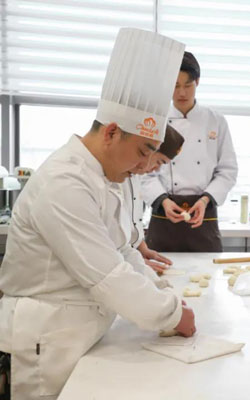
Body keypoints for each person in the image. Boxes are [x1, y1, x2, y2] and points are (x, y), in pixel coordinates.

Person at [0, 28, 196, 399]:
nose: (144, 167)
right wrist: (170, 314)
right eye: (143, 152)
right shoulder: (65, 182)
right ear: (111, 133)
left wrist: (161, 294)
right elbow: (107, 276)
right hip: (48, 340)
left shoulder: (104, 176)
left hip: (84, 333)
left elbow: (122, 252)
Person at [141, 51, 238, 252]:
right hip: (164, 213)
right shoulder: (155, 121)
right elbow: (143, 170)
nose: (182, 93)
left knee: (208, 269)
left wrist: (205, 200)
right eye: (175, 86)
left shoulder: (215, 120)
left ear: (197, 82)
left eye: (187, 85)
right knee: (160, 268)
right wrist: (162, 201)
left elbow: (228, 170)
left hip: (204, 212)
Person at [123, 125, 185, 273]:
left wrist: (141, 247)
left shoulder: (135, 176)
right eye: (160, 162)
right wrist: (133, 261)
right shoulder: (117, 177)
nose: (156, 169)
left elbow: (131, 219)